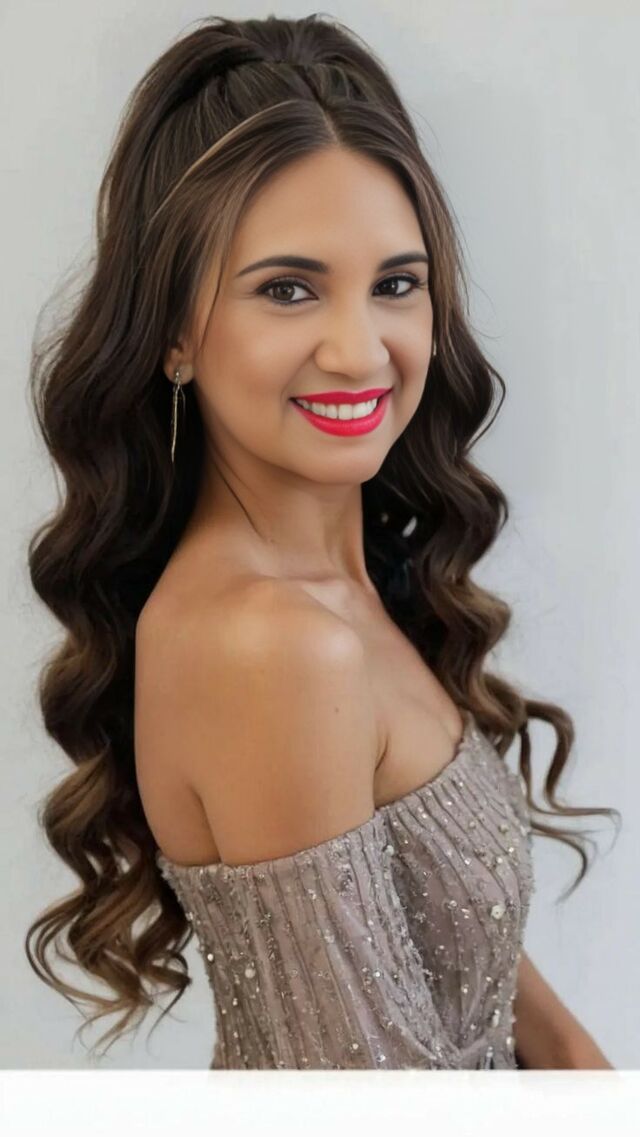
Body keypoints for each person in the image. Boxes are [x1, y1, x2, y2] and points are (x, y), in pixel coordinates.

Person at [25, 13, 618, 1069]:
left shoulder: (344, 591)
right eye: (287, 290)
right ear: (174, 333)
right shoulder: (270, 645)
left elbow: (491, 983)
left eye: (395, 284)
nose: (358, 350)